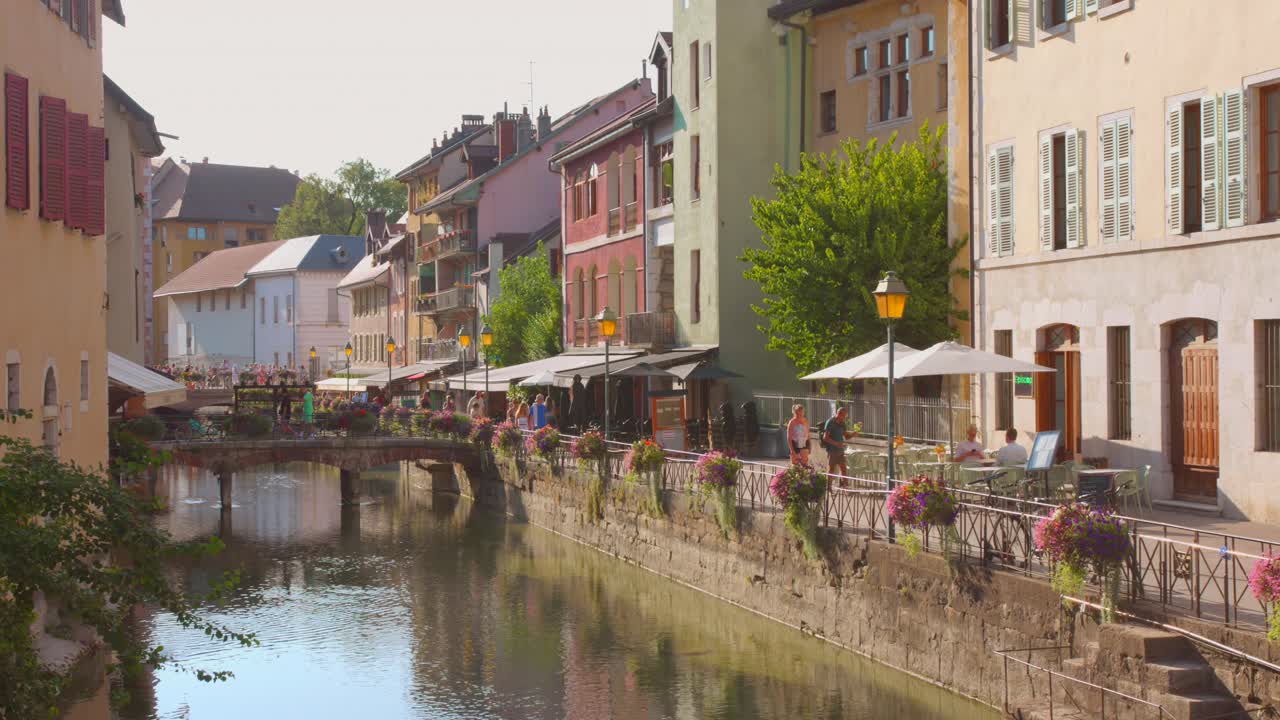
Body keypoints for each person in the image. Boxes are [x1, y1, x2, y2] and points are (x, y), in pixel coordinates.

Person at [820, 407, 856, 477]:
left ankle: (845, 483)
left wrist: (853, 434)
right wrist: (836, 443)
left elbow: (846, 436)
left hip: (840, 450)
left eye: (845, 416)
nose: (844, 418)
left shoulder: (842, 423)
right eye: (844, 416)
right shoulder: (830, 422)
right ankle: (829, 484)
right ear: (839, 414)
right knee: (831, 469)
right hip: (832, 450)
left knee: (844, 469)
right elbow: (825, 437)